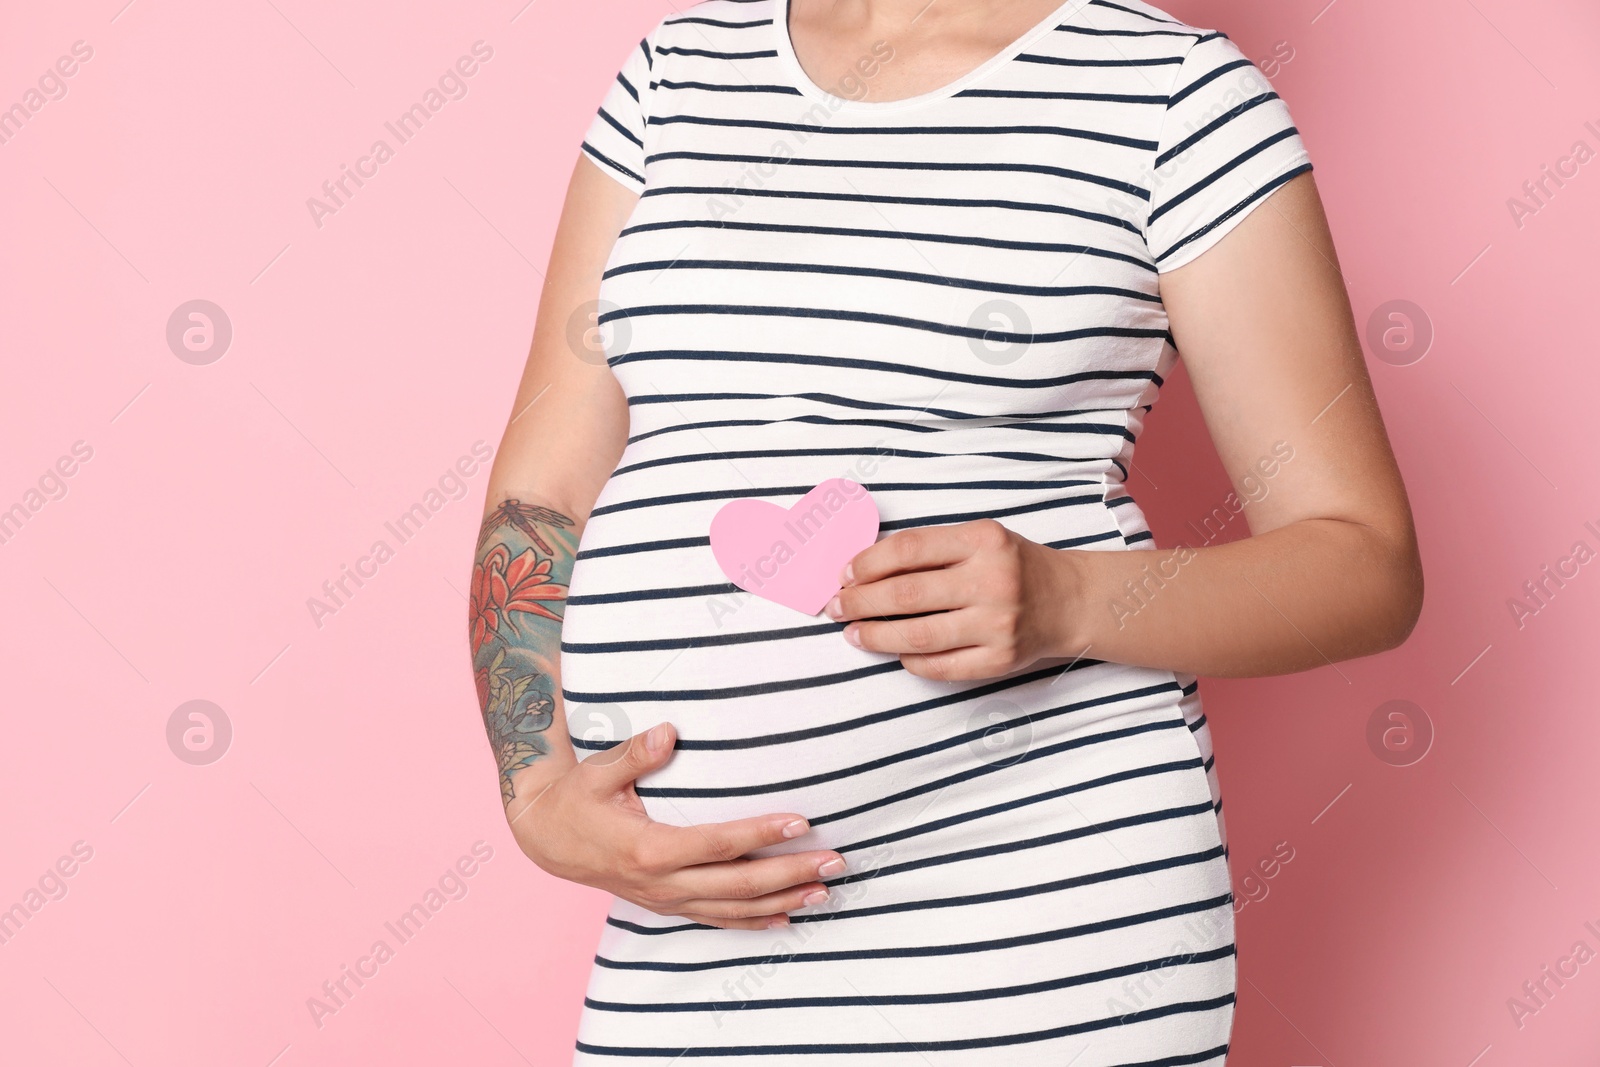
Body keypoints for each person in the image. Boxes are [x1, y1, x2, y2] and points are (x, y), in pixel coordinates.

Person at [466, 0, 1422, 1061]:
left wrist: (1070, 599)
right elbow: (544, 487)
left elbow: (1363, 560)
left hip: (1043, 936)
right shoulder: (679, 74)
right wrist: (538, 787)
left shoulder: (1174, 94)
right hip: (692, 946)